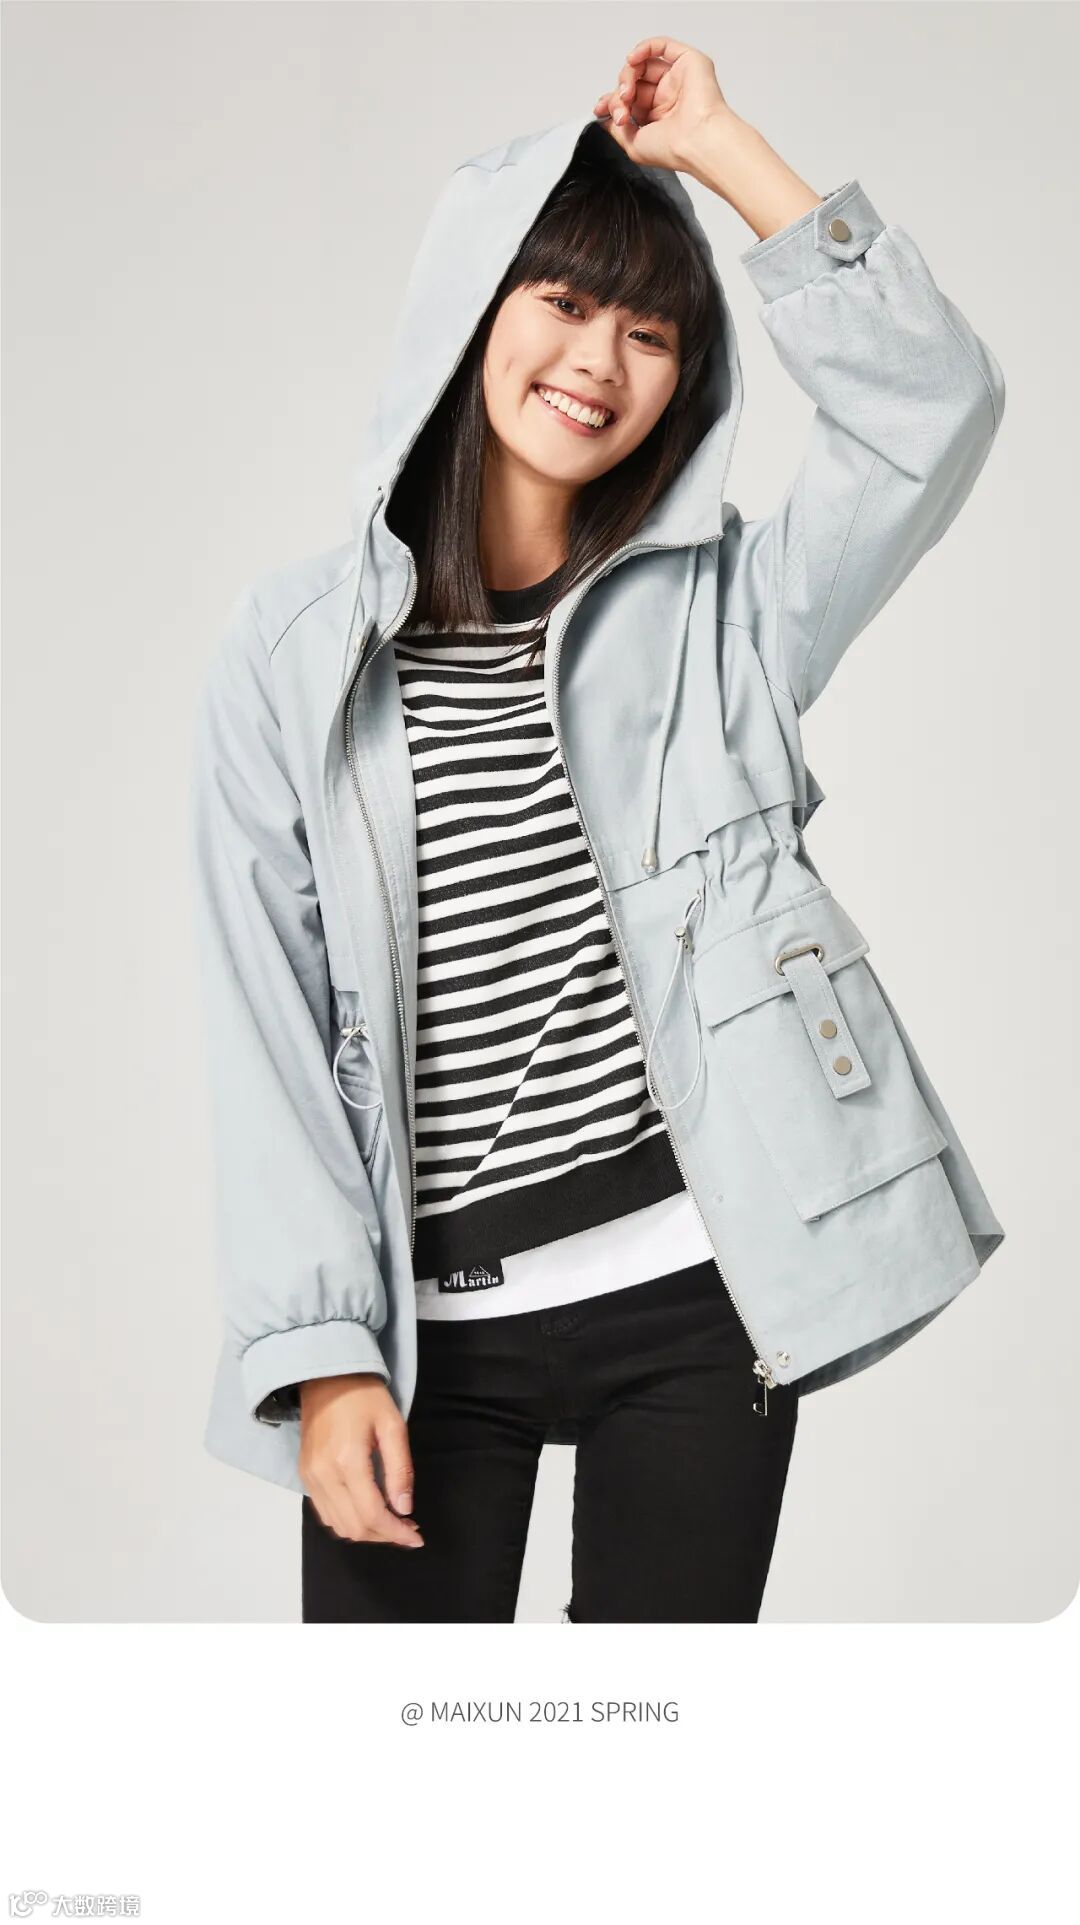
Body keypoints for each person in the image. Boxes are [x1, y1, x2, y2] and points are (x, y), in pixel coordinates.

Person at [190, 37, 1006, 1622]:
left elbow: (935, 404)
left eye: (650, 332)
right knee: (381, 1776)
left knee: (656, 1765)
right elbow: (264, 1018)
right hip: (423, 1337)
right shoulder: (292, 654)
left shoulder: (728, 615)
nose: (600, 363)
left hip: (698, 1299)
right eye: (563, 303)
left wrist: (722, 149)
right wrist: (323, 1353)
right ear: (473, 307)